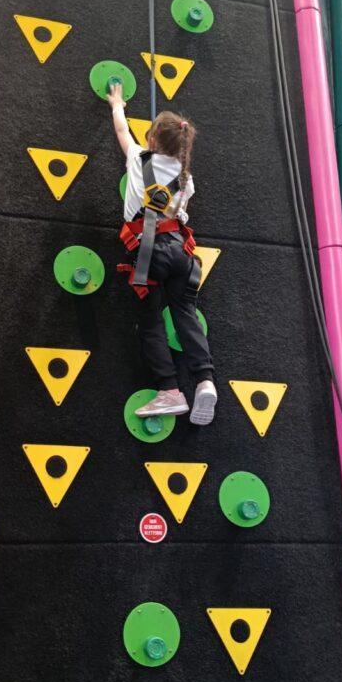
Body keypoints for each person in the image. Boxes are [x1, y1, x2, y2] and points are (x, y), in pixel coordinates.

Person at [108, 81, 217, 426]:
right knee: (185, 313)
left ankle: (170, 390)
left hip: (149, 252)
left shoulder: (139, 158)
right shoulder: (186, 180)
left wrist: (117, 104)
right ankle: (205, 380)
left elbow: (122, 131)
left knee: (151, 319)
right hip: (181, 253)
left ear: (152, 140)